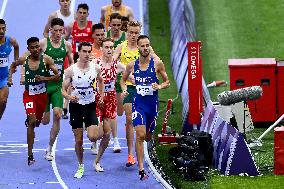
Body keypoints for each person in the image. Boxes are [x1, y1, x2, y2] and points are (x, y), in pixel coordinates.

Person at [121, 35, 170, 180]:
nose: (145, 48)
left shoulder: (157, 64)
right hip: (139, 105)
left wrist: (159, 85)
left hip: (152, 106)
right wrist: (124, 90)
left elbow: (167, 81)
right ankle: (141, 169)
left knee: (148, 136)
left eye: (147, 45)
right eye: (142, 46)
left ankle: (149, 135)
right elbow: (123, 80)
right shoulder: (132, 65)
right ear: (138, 48)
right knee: (140, 135)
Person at [9, 37, 60, 166]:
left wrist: (44, 77)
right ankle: (30, 154)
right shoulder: (24, 60)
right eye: (32, 47)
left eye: (37, 46)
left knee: (37, 122)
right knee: (31, 122)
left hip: (42, 97)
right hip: (29, 96)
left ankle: (32, 120)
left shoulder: (46, 60)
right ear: (29, 49)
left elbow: (58, 76)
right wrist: (10, 77)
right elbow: (13, 65)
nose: (36, 49)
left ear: (40, 47)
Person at [62, 42, 104, 178]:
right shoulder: (71, 70)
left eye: (89, 52)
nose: (87, 54)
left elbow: (101, 81)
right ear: (78, 53)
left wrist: (101, 96)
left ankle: (97, 127)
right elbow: (62, 90)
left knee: (93, 137)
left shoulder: (95, 68)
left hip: (90, 105)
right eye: (84, 51)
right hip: (76, 107)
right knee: (79, 140)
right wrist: (69, 97)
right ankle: (81, 165)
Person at [40, 18, 73, 161]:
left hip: (58, 85)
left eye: (61, 30)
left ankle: (49, 148)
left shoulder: (67, 46)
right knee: (44, 121)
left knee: (58, 114)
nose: (59, 33)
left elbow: (71, 63)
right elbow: (31, 59)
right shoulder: (43, 44)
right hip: (43, 86)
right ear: (50, 30)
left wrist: (71, 78)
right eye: (56, 30)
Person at [114, 20, 141, 167]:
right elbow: (112, 61)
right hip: (128, 88)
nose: (133, 35)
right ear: (126, 32)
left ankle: (142, 147)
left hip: (144, 89)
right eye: (131, 32)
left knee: (144, 124)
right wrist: (127, 73)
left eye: (136, 33)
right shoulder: (121, 47)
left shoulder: (145, 47)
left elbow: (156, 63)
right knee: (129, 119)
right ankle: (130, 154)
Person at [63, 3, 93, 119]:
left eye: (84, 13)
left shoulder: (91, 25)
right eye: (80, 12)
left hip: (88, 57)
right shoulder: (71, 26)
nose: (82, 15)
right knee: (71, 80)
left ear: (87, 14)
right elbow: (64, 39)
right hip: (75, 57)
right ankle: (66, 106)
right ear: (76, 14)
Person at [0, 19, 19, 120]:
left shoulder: (10, 41)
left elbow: (16, 47)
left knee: (3, 101)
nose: (1, 31)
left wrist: (15, 62)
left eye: (3, 28)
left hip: (3, 78)